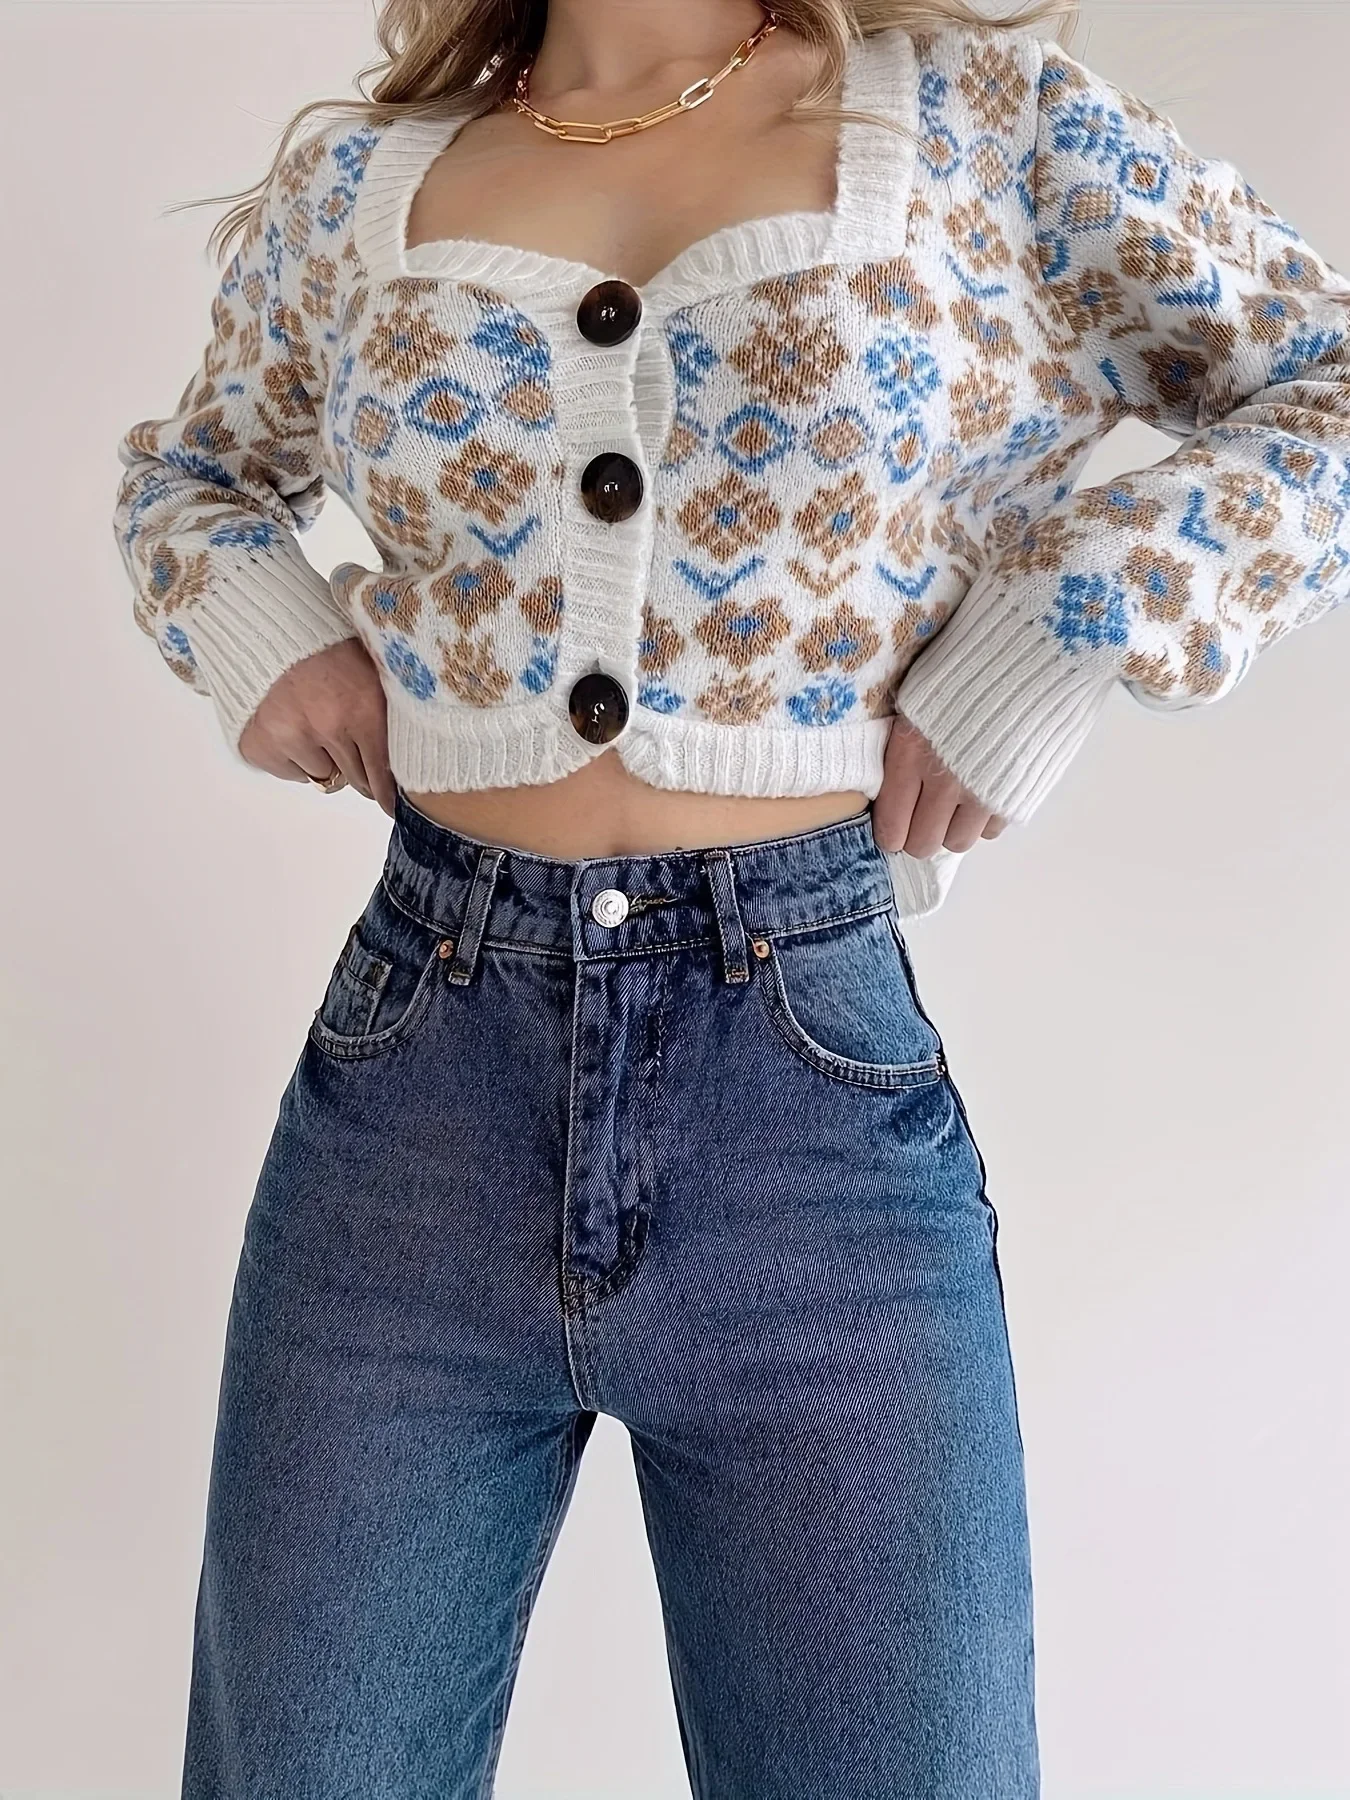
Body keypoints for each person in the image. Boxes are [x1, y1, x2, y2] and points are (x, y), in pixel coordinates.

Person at [110, 0, 1350, 1794]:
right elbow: (195, 474)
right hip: (414, 1097)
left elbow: (1325, 381)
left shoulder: (982, 124)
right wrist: (261, 627)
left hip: (802, 1102)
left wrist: (1066, 621)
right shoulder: (365, 185)